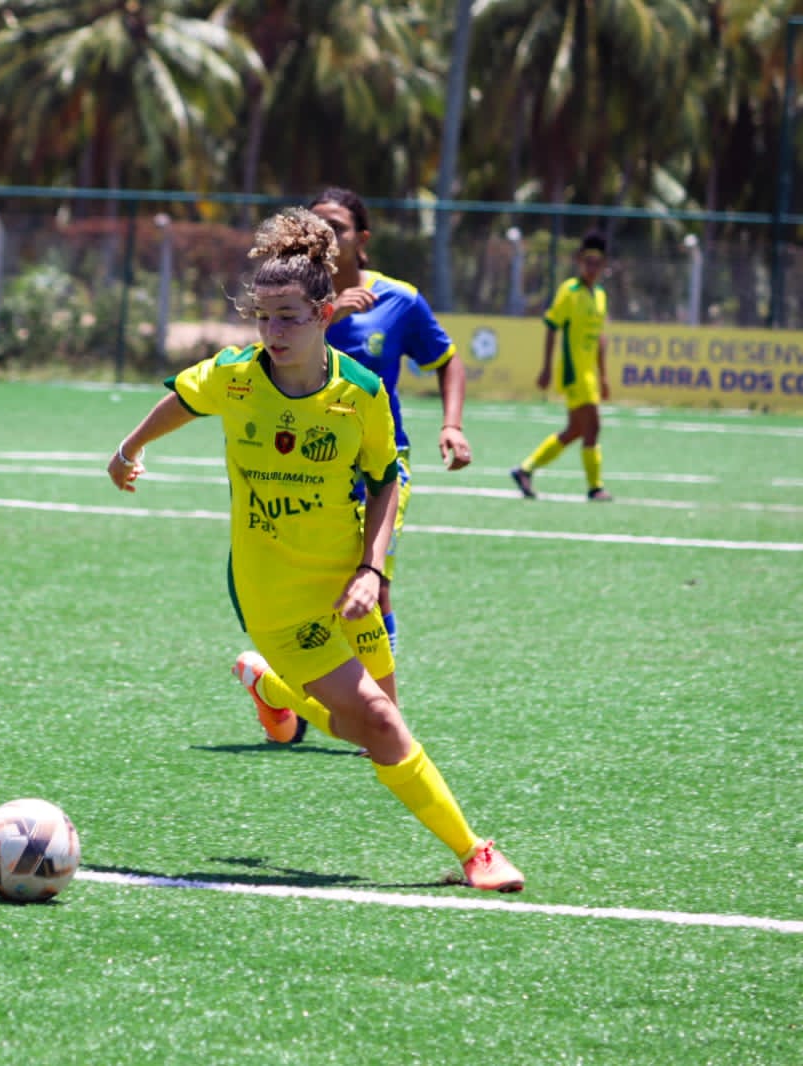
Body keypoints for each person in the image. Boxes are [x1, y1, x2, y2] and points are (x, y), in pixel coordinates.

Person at [105, 208, 524, 892]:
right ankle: (475, 852)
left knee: (376, 726)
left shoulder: (358, 394)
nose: (273, 332)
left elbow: (387, 478)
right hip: (276, 594)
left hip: (346, 579)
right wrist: (128, 450)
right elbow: (181, 400)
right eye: (263, 317)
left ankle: (270, 688)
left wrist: (370, 568)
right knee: (380, 724)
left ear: (324, 313)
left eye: (290, 316)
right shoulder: (233, 377)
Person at [237, 187, 471, 745]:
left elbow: (447, 360)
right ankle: (276, 691)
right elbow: (252, 361)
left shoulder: (400, 300)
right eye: (315, 224)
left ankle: (386, 717)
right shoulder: (295, 299)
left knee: (373, 581)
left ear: (361, 239)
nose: (325, 236)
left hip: (379, 467)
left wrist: (452, 424)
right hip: (305, 469)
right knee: (321, 593)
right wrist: (327, 314)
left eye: (337, 227)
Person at [510, 232, 611, 501]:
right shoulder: (570, 291)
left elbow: (600, 338)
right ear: (580, 262)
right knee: (594, 426)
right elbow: (552, 328)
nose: (592, 267)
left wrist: (604, 376)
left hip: (590, 372)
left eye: (597, 263)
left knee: (576, 430)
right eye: (588, 261)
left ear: (603, 266)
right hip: (574, 372)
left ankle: (525, 469)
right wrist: (545, 368)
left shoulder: (600, 295)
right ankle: (595, 487)